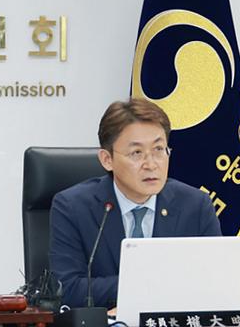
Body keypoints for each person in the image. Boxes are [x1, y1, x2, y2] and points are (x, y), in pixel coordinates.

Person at [49, 98, 221, 309]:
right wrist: (148, 285)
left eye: (159, 149)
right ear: (107, 160)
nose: (151, 164)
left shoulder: (195, 206)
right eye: (137, 153)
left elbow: (216, 282)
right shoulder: (73, 207)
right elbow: (66, 288)